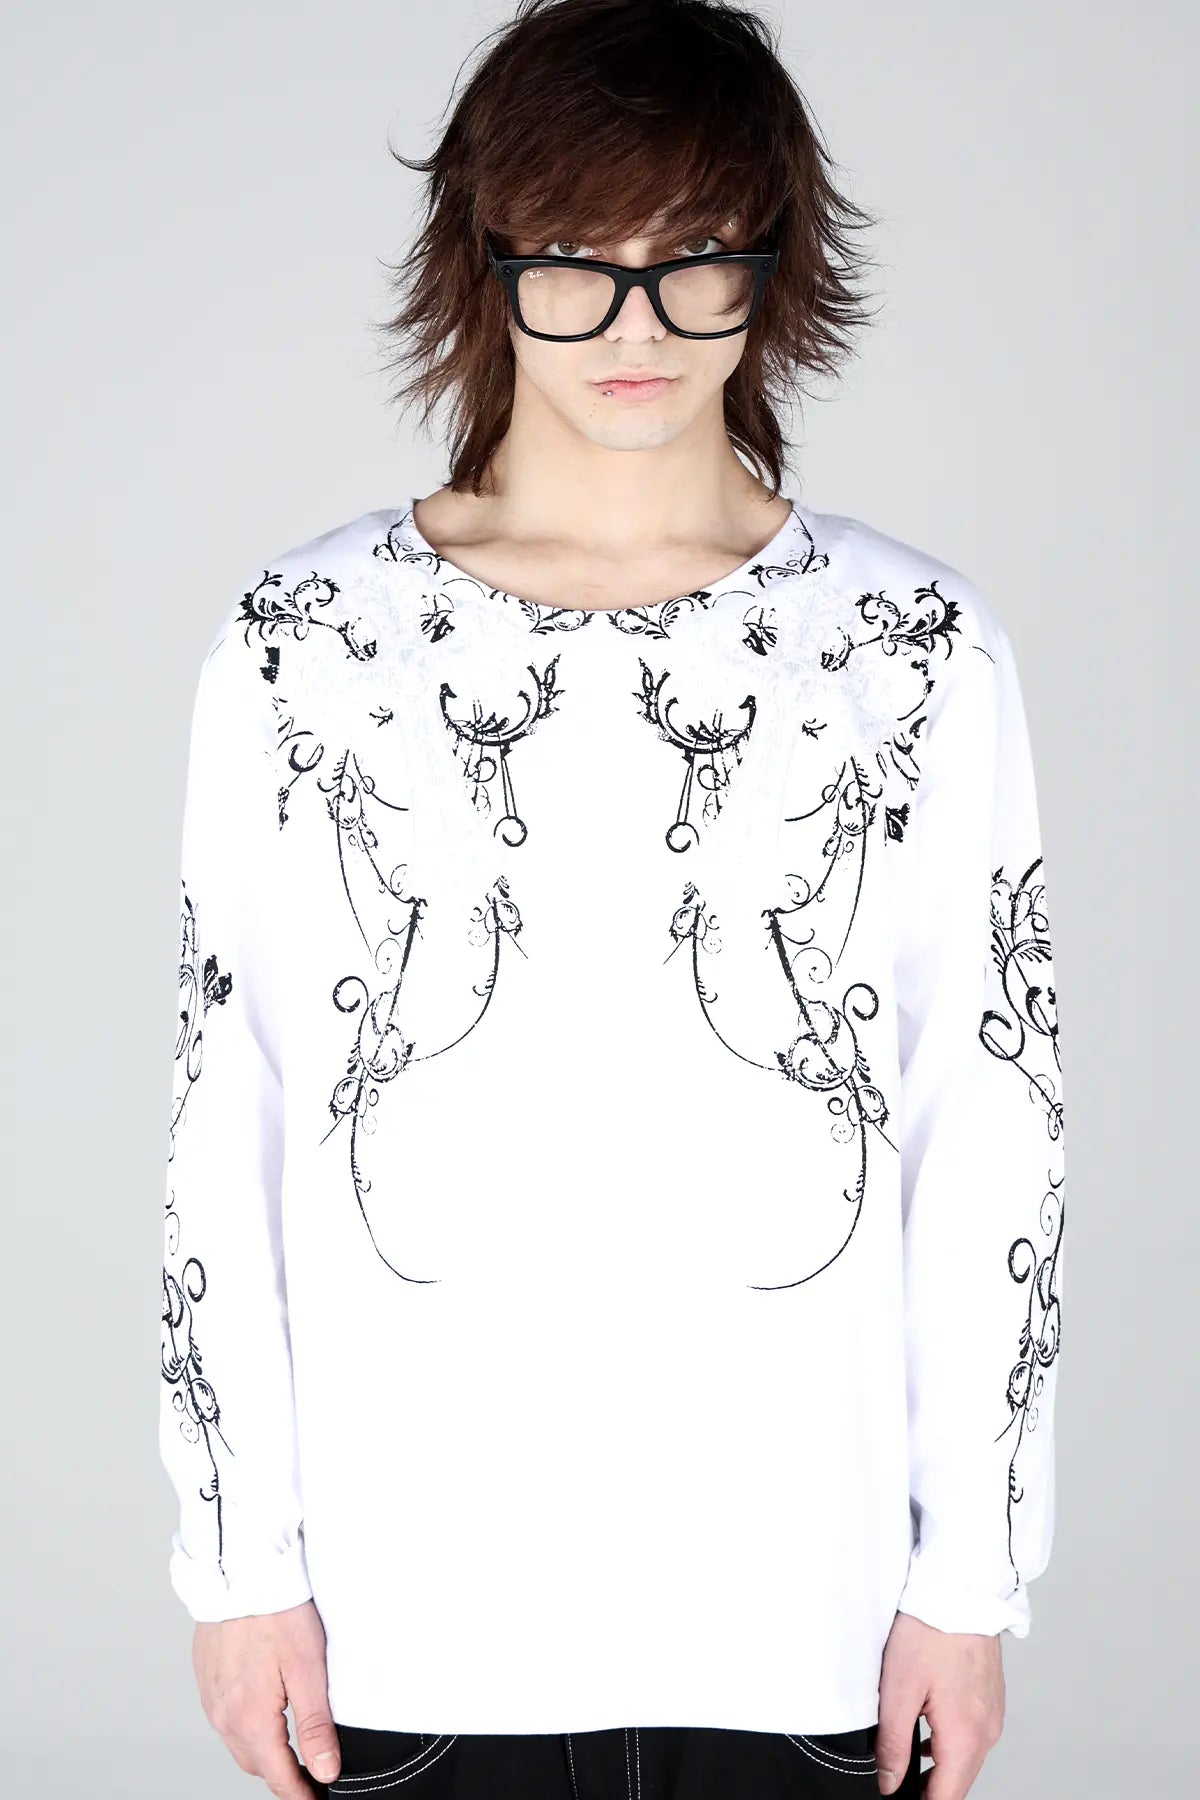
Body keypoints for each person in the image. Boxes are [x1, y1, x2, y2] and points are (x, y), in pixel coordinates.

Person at [158, 2, 1066, 1797]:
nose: (636, 326)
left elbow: (992, 1125)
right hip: (416, 1619)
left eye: (693, 258)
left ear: (770, 265)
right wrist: (238, 1567)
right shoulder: (308, 644)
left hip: (802, 1619)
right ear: (486, 261)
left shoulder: (911, 648)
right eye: (576, 260)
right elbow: (224, 1117)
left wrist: (969, 1581)